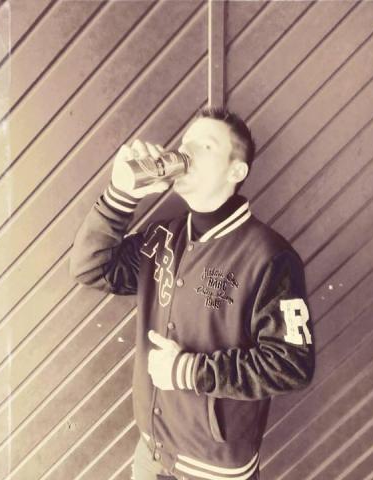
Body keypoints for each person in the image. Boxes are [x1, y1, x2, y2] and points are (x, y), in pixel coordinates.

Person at [69, 107, 315, 480]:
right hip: (151, 455)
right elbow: (91, 267)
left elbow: (291, 365)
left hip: (213, 470)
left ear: (236, 172)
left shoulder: (270, 257)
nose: (187, 151)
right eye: (187, 143)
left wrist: (189, 371)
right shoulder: (161, 238)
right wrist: (121, 195)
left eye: (206, 146)